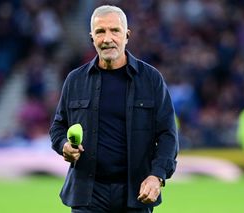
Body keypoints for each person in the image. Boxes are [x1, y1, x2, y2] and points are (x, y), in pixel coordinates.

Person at [49, 5, 179, 213]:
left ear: (127, 36)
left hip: (136, 193)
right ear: (92, 38)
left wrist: (157, 176)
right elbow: (58, 127)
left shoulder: (151, 79)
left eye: (114, 30)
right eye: (100, 32)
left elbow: (167, 135)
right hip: (88, 194)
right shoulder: (75, 80)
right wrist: (64, 145)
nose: (107, 38)